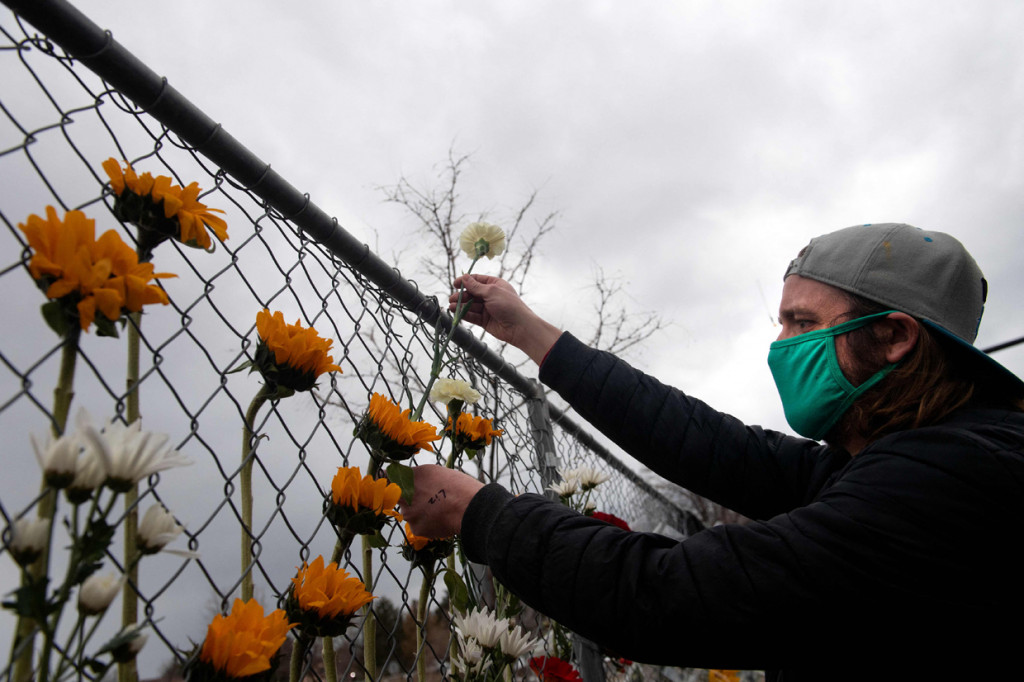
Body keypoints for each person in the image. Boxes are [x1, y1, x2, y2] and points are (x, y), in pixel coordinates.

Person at [399, 223, 1024, 680]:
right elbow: (710, 445)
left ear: (892, 337)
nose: (780, 346)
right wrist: (532, 335)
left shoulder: (952, 481)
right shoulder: (908, 457)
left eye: (802, 324)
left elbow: (669, 595)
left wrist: (477, 512)